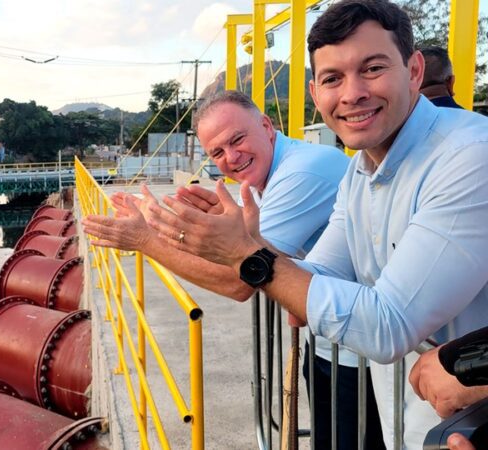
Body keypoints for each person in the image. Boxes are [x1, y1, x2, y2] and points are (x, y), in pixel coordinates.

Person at [141, 1, 488, 448]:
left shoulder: (467, 156)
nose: (352, 93)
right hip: (413, 418)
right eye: (332, 78)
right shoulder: (360, 172)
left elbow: (388, 324)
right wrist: (248, 243)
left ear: (415, 70)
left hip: (464, 421)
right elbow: (305, 289)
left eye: (373, 68)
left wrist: (246, 255)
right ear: (314, 91)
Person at [83, 90, 383, 449]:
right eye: (217, 153)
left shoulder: (303, 170)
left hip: (363, 354)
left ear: (266, 126)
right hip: (331, 340)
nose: (232, 157)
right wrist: (180, 225)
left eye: (237, 139)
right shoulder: (262, 179)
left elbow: (242, 277)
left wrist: (148, 241)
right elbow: (244, 251)